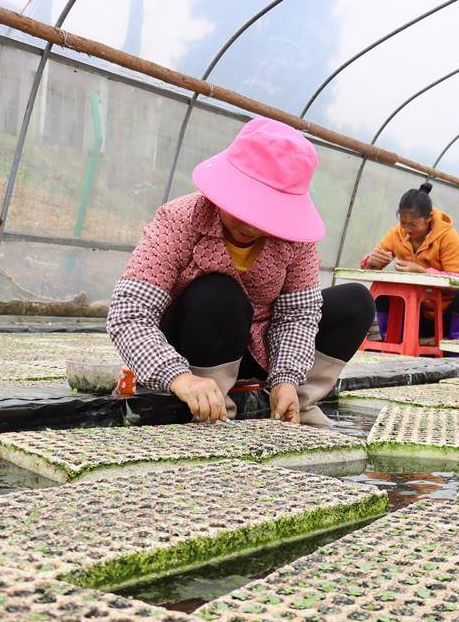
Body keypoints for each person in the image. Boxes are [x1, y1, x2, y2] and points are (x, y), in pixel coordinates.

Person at [107, 118, 374, 426]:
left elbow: (297, 315)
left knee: (356, 301)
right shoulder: (180, 220)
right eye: (244, 206)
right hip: (191, 348)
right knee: (219, 293)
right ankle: (207, 408)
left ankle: (292, 404)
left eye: (266, 211)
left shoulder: (294, 238)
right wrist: (179, 377)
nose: (251, 223)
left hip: (257, 349)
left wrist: (286, 377)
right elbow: (129, 312)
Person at [361, 182, 459, 341]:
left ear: (429, 218)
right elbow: (369, 264)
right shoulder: (397, 233)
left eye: (413, 224)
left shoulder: (448, 237)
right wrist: (372, 262)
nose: (407, 229)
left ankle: (456, 346)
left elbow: (458, 278)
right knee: (384, 287)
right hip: (413, 316)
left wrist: (423, 271)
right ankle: (389, 338)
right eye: (403, 222)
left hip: (446, 316)